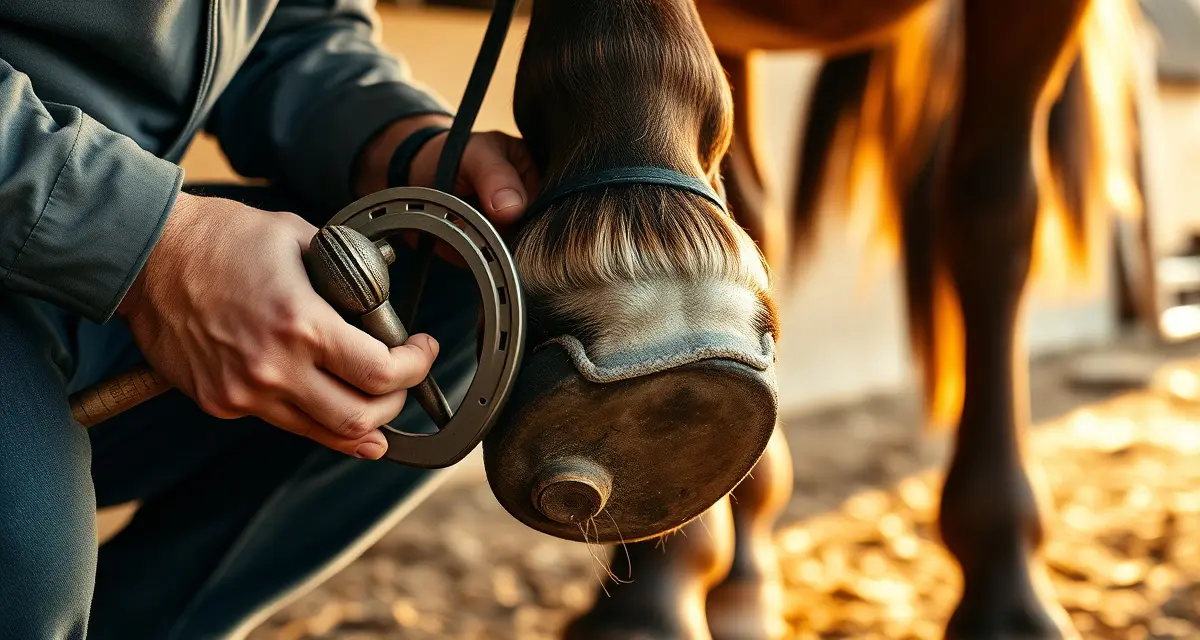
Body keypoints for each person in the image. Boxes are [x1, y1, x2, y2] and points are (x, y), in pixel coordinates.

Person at [0, 1, 538, 637]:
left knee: (443, 287)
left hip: (80, 262)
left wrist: (399, 144)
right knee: (22, 575)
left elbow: (289, 31)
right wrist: (152, 245)